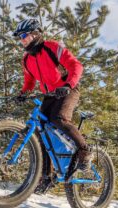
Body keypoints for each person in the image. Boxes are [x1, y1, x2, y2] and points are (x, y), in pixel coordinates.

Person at [13, 19, 93, 172]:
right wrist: (22, 93)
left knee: (59, 119)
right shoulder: (26, 59)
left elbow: (76, 65)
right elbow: (29, 82)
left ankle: (84, 150)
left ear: (36, 33)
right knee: (41, 132)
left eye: (24, 35)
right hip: (50, 94)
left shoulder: (52, 47)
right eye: (19, 37)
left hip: (68, 88)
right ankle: (46, 177)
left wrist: (68, 85)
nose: (21, 40)